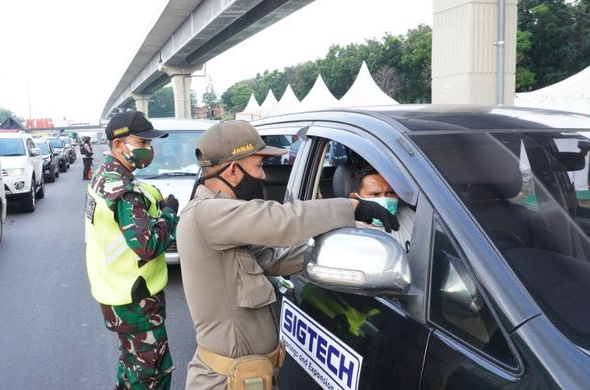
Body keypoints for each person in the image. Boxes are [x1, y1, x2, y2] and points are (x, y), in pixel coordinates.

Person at [176, 120, 398, 389]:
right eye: (258, 166)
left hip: (249, 377)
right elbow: (283, 219)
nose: (263, 176)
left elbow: (272, 258)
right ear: (233, 170)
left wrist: (334, 250)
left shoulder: (224, 221)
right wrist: (351, 207)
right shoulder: (206, 214)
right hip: (226, 381)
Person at [84, 110, 179, 390]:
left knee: (132, 365)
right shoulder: (123, 191)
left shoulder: (105, 177)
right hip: (135, 300)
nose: (149, 150)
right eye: (142, 143)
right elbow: (147, 246)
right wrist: (169, 215)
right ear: (118, 145)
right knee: (152, 373)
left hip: (117, 294)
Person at [347, 164, 414, 250]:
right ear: (355, 198)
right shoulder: (350, 234)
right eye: (375, 194)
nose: (385, 199)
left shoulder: (409, 215)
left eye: (390, 193)